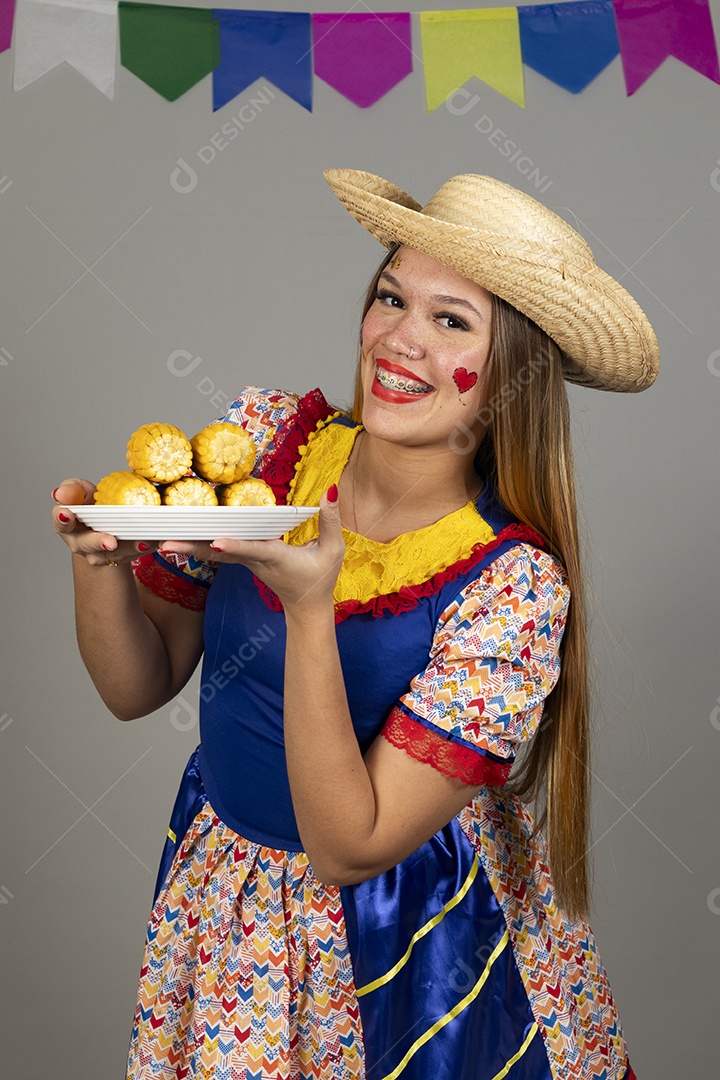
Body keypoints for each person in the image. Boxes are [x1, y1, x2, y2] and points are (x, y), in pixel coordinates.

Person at [51, 169, 658, 1080]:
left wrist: (308, 611)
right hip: (233, 898)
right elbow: (138, 686)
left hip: (410, 937)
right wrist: (98, 561)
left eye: (452, 321)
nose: (399, 340)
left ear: (511, 378)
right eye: (390, 297)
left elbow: (349, 848)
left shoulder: (513, 587)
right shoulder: (269, 449)